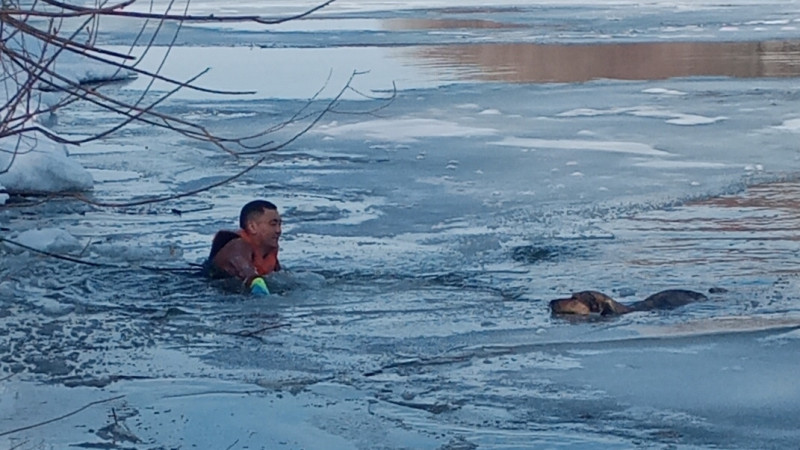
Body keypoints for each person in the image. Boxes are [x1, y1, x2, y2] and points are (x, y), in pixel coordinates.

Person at [203, 200, 282, 295]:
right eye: (273, 224)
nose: (278, 230)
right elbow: (247, 273)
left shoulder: (267, 252)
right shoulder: (237, 246)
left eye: (279, 224)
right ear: (252, 227)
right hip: (207, 289)